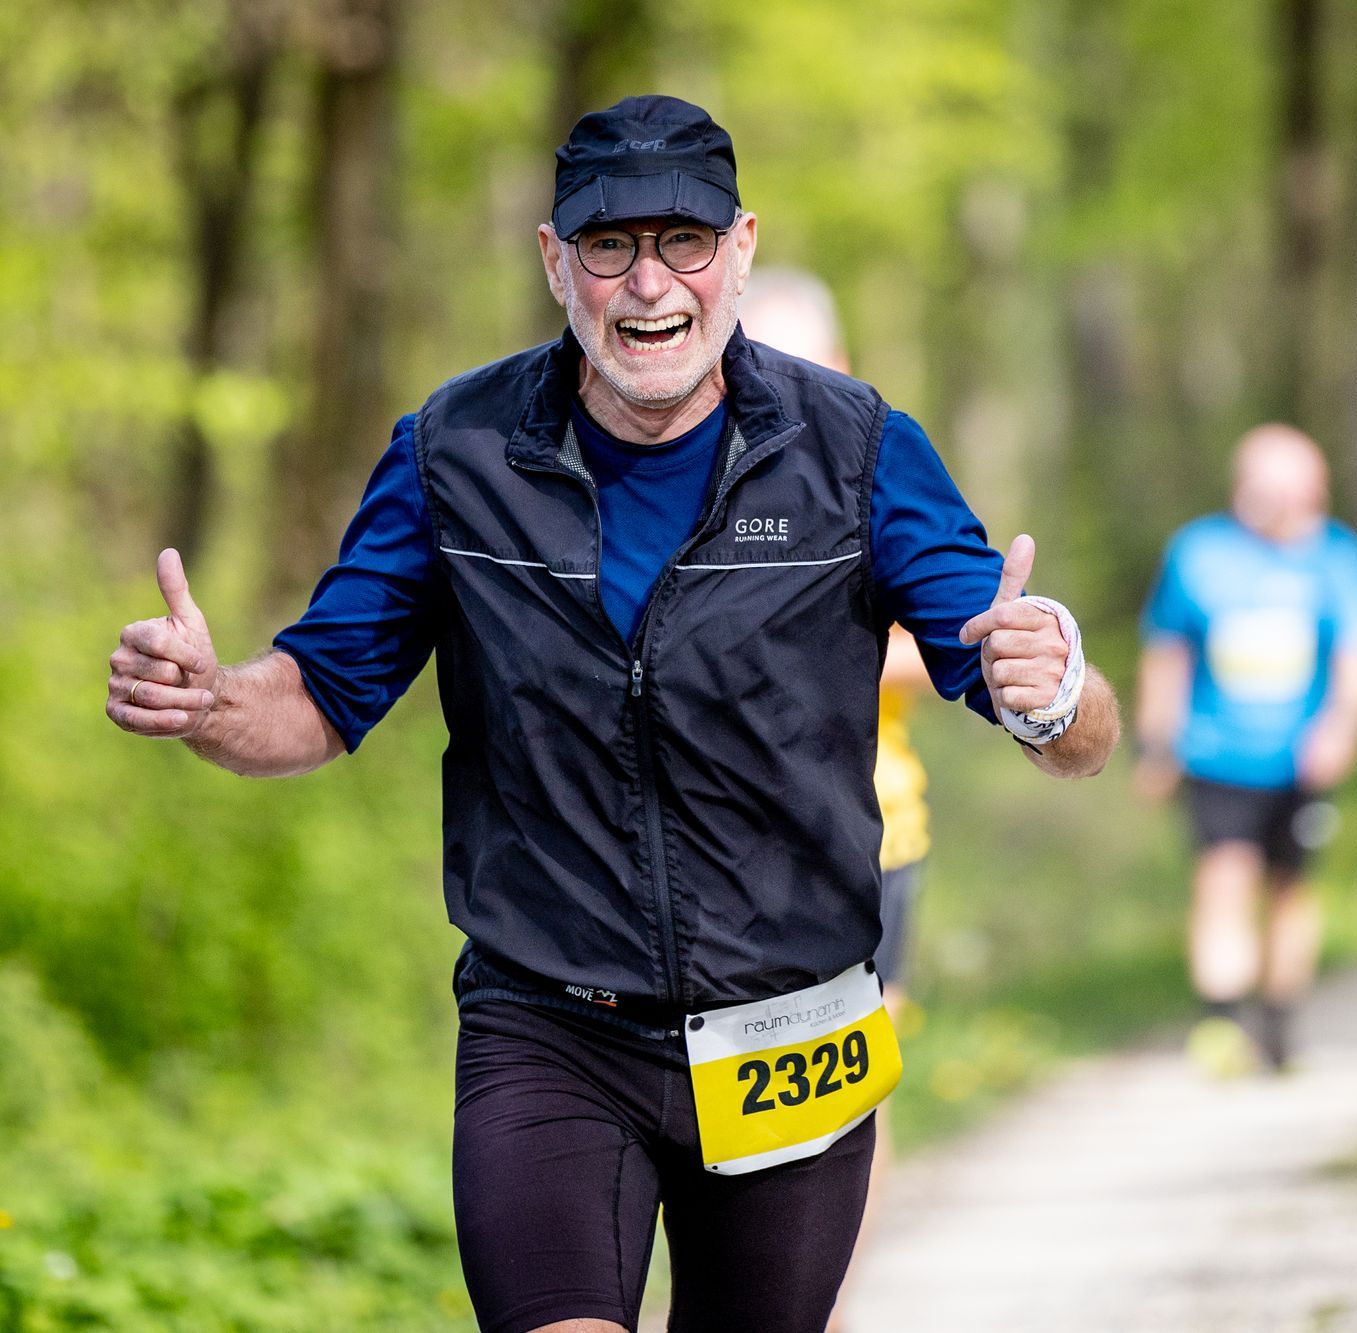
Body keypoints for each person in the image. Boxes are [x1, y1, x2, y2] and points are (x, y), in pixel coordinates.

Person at [104, 96, 1118, 1333]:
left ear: (739, 250)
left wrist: (1055, 682)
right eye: (608, 246)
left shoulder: (853, 450)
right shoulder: (455, 453)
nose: (650, 284)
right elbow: (314, 698)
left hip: (787, 1023)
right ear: (553, 261)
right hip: (549, 1026)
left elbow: (1074, 734)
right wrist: (210, 702)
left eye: (683, 242)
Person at [735, 265, 934, 1333]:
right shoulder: (689, 465)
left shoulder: (876, 466)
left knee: (848, 1085)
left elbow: (942, 642)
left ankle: (832, 1301)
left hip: (867, 834)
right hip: (716, 846)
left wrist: (808, 650)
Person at [1134, 425, 1357, 1075]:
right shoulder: (1198, 550)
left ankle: (1279, 1020)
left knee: (1290, 888)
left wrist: (1342, 725)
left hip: (1301, 761)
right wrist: (1155, 739)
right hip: (1216, 754)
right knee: (1222, 877)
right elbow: (1167, 649)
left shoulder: (1338, 556)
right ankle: (1221, 1020)